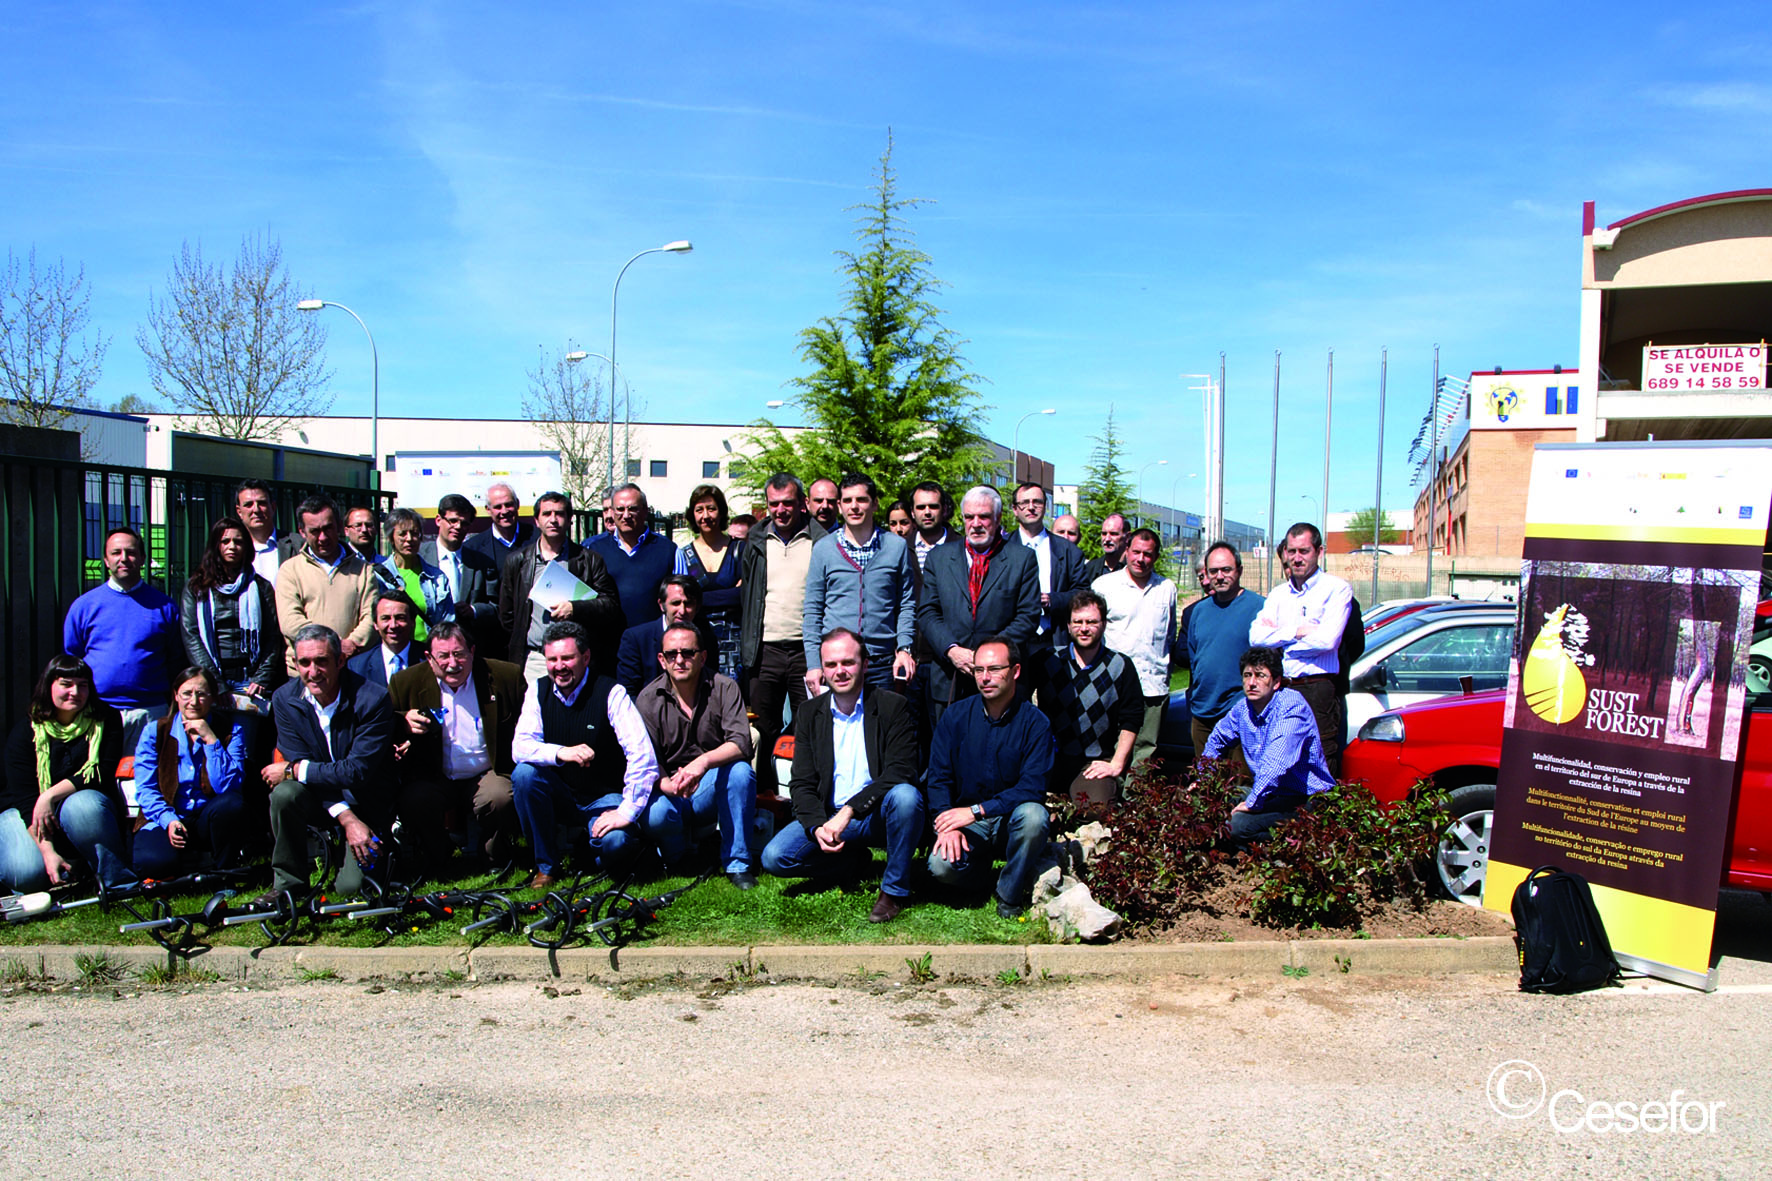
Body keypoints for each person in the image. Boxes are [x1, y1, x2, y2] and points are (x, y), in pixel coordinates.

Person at [759, 629, 925, 923]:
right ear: (822, 670)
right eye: (831, 664)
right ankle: (851, 862)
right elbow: (802, 782)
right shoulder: (809, 712)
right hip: (829, 817)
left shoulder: (891, 706)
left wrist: (849, 811)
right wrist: (815, 827)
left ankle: (894, 889)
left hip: (876, 815)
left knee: (906, 796)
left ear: (865, 664)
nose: (840, 671)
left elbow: (902, 771)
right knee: (775, 857)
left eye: (848, 662)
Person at [510, 621, 665, 888]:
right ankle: (546, 866)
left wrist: (626, 812)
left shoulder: (611, 693)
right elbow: (520, 747)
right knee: (524, 774)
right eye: (552, 659)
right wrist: (561, 753)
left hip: (603, 796)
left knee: (616, 842)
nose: (559, 666)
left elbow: (642, 756)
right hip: (559, 794)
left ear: (586, 657)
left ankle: (588, 855)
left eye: (568, 658)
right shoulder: (538, 690)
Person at [258, 624, 396, 902]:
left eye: (322, 661)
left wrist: (294, 770)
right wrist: (347, 820)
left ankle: (386, 847)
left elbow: (356, 772)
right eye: (304, 663)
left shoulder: (373, 698)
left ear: (340, 661)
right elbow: (303, 773)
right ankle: (289, 884)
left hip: (367, 801)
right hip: (327, 803)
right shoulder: (285, 700)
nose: (312, 671)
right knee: (285, 793)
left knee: (351, 889)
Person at [924, 637, 1054, 918]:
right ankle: (982, 878)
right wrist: (947, 822)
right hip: (967, 824)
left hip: (1009, 819)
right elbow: (938, 777)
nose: (985, 677)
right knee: (940, 866)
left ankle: (1009, 893)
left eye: (995, 669)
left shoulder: (1035, 723)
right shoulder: (956, 716)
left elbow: (1032, 788)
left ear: (1015, 671)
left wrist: (977, 811)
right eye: (978, 670)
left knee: (1034, 817)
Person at [388, 620, 525, 874]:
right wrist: (403, 723)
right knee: (414, 799)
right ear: (429, 658)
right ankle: (437, 856)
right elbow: (384, 724)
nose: (453, 663)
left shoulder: (506, 677)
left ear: (472, 652)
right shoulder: (405, 682)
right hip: (434, 775)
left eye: (459, 654)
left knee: (500, 796)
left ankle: (493, 854)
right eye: (444, 656)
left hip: (486, 773)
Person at [633, 622, 760, 889]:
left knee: (740, 772)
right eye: (671, 654)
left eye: (688, 653)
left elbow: (741, 743)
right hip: (668, 787)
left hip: (707, 785)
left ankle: (738, 864)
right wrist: (667, 784)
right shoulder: (647, 699)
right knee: (656, 815)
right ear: (662, 660)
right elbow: (645, 758)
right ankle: (678, 857)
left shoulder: (725, 688)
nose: (679, 660)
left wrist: (701, 763)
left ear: (702, 657)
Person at [1, 656, 136, 893]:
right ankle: (60, 870)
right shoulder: (24, 732)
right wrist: (47, 850)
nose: (75, 692)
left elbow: (100, 773)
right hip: (27, 812)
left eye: (82, 685)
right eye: (66, 684)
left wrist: (49, 796)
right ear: (49, 686)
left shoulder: (107, 720)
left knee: (85, 805)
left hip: (81, 810)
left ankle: (117, 883)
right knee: (26, 876)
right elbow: (25, 799)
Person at [916, 485, 1040, 724]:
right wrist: (952, 650)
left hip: (1001, 681)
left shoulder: (1021, 559)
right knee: (952, 754)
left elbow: (1028, 616)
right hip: (950, 676)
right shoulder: (939, 558)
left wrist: (989, 659)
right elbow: (928, 613)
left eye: (983, 516)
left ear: (998, 518)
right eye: (969, 517)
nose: (976, 523)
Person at [738, 473, 828, 795]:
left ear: (802, 504)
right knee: (763, 726)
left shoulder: (822, 541)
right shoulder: (755, 542)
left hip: (808, 651)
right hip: (766, 651)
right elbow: (747, 594)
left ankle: (808, 796)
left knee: (812, 725)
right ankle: (764, 798)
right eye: (774, 504)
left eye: (787, 502)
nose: (781, 510)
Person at [1199, 646, 1334, 850]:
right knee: (1214, 800)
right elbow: (1216, 740)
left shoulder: (1291, 707)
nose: (1252, 683)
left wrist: (1252, 803)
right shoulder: (1242, 709)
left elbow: (1276, 762)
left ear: (1276, 682)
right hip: (1273, 794)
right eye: (1247, 675)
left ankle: (1291, 850)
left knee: (1236, 825)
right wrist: (1203, 779)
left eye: (1260, 676)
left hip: (1306, 799)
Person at [62, 525, 183, 752]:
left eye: (131, 552)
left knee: (147, 781)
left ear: (143, 558)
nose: (124, 558)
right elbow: (73, 660)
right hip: (97, 711)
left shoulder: (165, 606)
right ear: (106, 560)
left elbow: (175, 659)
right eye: (116, 553)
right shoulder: (84, 606)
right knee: (96, 780)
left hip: (150, 712)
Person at [130, 667, 256, 879]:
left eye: (202, 694)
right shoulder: (155, 732)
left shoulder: (231, 732)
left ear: (213, 698)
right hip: (167, 817)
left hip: (209, 819)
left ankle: (223, 874)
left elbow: (228, 787)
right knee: (153, 865)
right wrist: (168, 819)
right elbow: (146, 789)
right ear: (176, 696)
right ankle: (186, 864)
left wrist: (211, 740)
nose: (194, 701)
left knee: (231, 805)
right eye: (187, 694)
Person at [1248, 523, 1354, 775]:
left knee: (1320, 758)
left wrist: (1283, 646)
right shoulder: (1277, 595)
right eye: (1291, 551)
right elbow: (1256, 637)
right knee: (1281, 756)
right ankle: (1286, 814)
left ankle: (1317, 813)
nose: (1297, 558)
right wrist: (1296, 631)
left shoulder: (1336, 589)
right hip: (1282, 687)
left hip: (1317, 687)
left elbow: (1327, 641)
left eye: (1304, 551)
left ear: (1319, 551)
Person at [802, 473, 917, 693]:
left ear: (874, 504)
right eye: (847, 501)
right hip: (837, 662)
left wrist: (904, 649)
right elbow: (813, 611)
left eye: (861, 500)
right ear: (840, 505)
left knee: (882, 725)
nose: (854, 507)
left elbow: (906, 605)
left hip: (882, 662)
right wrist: (814, 664)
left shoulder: (895, 547)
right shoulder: (823, 549)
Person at [496, 490, 621, 684]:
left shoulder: (589, 560)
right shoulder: (518, 562)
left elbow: (610, 606)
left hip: (575, 660)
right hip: (535, 660)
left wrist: (575, 608)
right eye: (547, 514)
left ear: (570, 519)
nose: (553, 520)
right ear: (536, 520)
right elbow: (507, 616)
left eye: (560, 514)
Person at [1033, 591, 1143, 804]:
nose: (1084, 628)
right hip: (1050, 757)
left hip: (1093, 761)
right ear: (1068, 625)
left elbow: (1132, 718)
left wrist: (1116, 764)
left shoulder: (1120, 666)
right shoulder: (1047, 660)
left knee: (1094, 808)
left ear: (1103, 624)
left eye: (1091, 622)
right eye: (1078, 622)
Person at [179, 515, 282, 739]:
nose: (232, 547)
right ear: (215, 546)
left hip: (249, 682)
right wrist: (215, 683)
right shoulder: (197, 587)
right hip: (210, 683)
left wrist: (262, 678)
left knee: (243, 751)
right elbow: (191, 635)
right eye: (225, 541)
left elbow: (273, 636)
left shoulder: (260, 586)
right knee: (208, 745)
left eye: (238, 541)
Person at [1093, 528, 1177, 767]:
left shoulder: (1166, 588)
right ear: (1126, 551)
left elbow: (1169, 634)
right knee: (1111, 747)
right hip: (1114, 684)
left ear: (1156, 557)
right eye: (1136, 552)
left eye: (1148, 554)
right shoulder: (1104, 586)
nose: (1141, 559)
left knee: (1145, 751)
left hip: (1152, 684)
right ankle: (1108, 799)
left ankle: (1136, 801)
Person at [274, 494, 377, 675]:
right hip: (306, 673)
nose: (322, 537)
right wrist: (331, 647)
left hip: (351, 668)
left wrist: (350, 645)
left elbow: (371, 617)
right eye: (314, 531)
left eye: (328, 528)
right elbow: (291, 621)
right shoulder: (290, 570)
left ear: (338, 526)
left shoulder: (364, 570)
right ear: (302, 531)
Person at [1180, 542, 1264, 759]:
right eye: (1213, 571)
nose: (1219, 576)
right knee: (1207, 786)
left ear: (1239, 571)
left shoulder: (1260, 608)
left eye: (1226, 570)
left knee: (1239, 787)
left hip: (1242, 712)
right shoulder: (1198, 611)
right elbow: (1194, 660)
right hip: (1202, 714)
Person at [674, 484, 746, 683]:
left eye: (711, 509)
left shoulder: (739, 550)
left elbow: (744, 596)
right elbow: (682, 600)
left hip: (735, 646)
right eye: (699, 510)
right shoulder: (683, 555)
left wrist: (700, 597)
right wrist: (729, 593)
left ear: (721, 513)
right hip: (697, 643)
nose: (705, 516)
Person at [588, 484, 677, 632]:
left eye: (632, 509)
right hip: (608, 642)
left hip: (654, 641)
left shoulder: (669, 551)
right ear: (612, 512)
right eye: (620, 509)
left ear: (645, 510)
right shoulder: (594, 550)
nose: (626, 515)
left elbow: (682, 599)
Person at [1008, 482, 1087, 645]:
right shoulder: (1002, 548)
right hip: (1012, 640)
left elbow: (1083, 594)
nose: (1031, 507)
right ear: (1015, 510)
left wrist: (1052, 600)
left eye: (1037, 502)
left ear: (1045, 507)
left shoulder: (1068, 551)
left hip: (1055, 639)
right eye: (1024, 503)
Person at [614, 576, 720, 696]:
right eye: (676, 603)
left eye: (688, 604)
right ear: (662, 605)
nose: (682, 610)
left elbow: (711, 686)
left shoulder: (707, 640)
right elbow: (628, 693)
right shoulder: (636, 639)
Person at [423, 493, 499, 637]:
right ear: (438, 520)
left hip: (466, 640)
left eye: (464, 523)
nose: (458, 527)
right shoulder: (420, 557)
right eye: (452, 521)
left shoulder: (482, 563)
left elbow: (495, 606)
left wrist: (473, 610)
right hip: (426, 640)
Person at [375, 507, 453, 644]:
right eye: (402, 534)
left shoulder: (437, 578)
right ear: (390, 538)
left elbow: (447, 623)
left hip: (427, 653)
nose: (409, 539)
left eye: (415, 533)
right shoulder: (377, 577)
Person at [462, 482, 535, 611]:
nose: (504, 511)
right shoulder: (474, 548)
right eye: (498, 507)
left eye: (508, 505)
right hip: (492, 625)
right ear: (488, 510)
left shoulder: (537, 539)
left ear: (517, 504)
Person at [346, 591, 428, 688]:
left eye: (400, 618)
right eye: (385, 618)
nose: (393, 625)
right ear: (375, 624)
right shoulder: (357, 666)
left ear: (412, 622)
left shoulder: (429, 659)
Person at [235, 479, 301, 584]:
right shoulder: (232, 548)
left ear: (273, 507)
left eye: (262, 503)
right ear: (239, 512)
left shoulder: (297, 544)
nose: (256, 510)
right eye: (248, 504)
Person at [907, 481, 956, 585]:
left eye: (933, 506)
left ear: (944, 510)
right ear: (912, 512)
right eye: (921, 507)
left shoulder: (962, 548)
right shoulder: (902, 549)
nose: (927, 512)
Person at [1081, 513, 1130, 585]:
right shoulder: (1089, 569)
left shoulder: (1137, 569)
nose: (1107, 539)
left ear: (1127, 537)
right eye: (1104, 534)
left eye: (1113, 534)